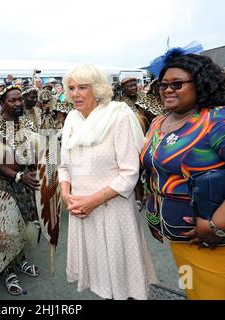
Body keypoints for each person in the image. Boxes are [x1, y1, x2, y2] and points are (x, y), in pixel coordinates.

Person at [141, 51, 225, 300]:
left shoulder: (224, 123)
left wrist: (216, 227)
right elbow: (155, 170)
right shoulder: (159, 122)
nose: (167, 90)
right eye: (163, 85)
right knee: (195, 292)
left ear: (201, 83)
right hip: (182, 243)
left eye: (177, 84)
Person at [58, 64, 156, 300]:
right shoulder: (71, 118)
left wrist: (92, 201)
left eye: (82, 87)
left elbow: (130, 173)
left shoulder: (118, 115)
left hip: (112, 211)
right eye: (71, 88)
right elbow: (64, 166)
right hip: (81, 211)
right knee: (101, 278)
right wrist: (65, 193)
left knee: (123, 281)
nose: (75, 94)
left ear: (98, 89)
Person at [0, 85, 40, 296]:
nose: (18, 103)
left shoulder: (25, 123)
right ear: (2, 104)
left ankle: (21, 260)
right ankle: (8, 270)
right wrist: (18, 175)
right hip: (5, 184)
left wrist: (34, 168)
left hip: (25, 182)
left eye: (20, 99)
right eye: (13, 100)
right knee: (6, 228)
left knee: (24, 223)